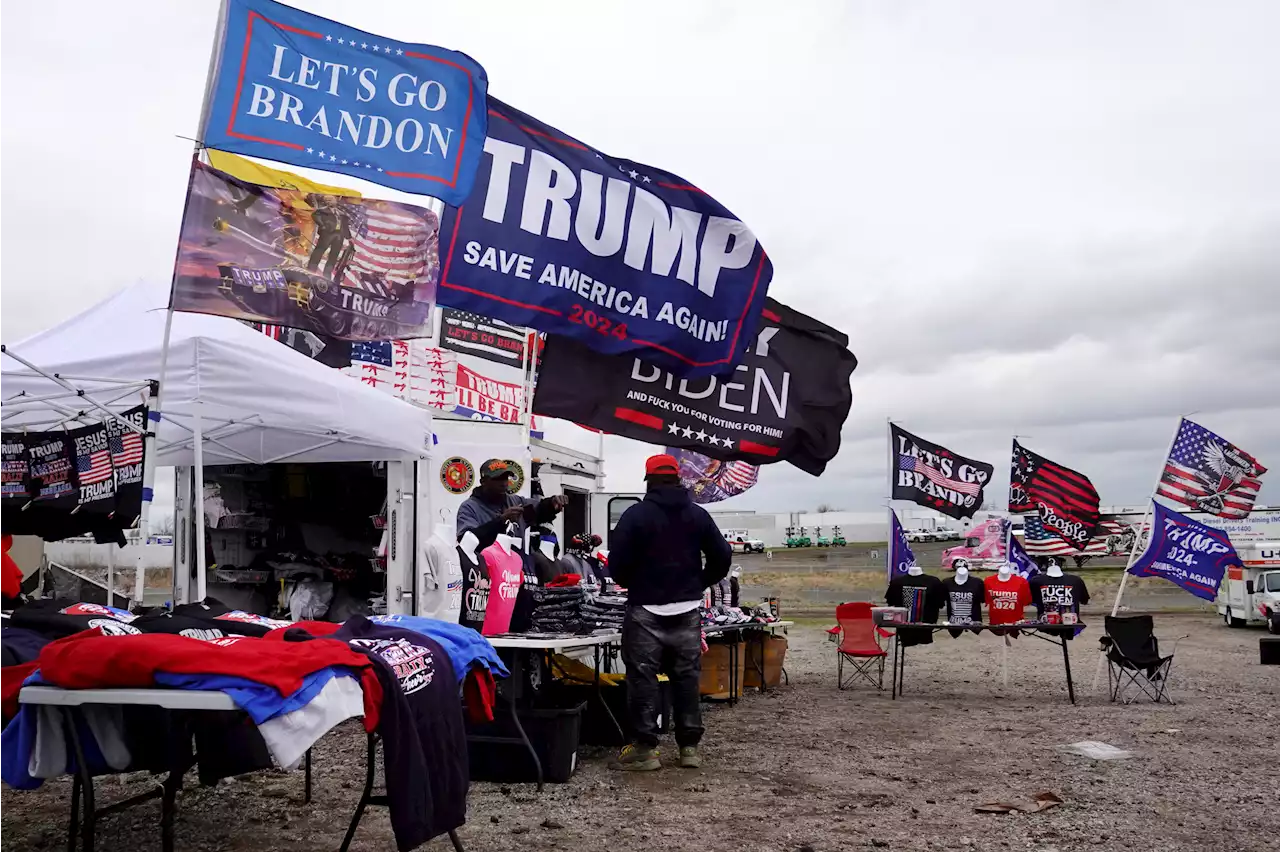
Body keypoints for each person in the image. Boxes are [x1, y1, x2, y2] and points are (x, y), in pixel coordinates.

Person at [607, 454, 732, 771]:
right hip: (688, 609)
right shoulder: (697, 515)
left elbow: (617, 564)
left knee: (643, 679)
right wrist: (698, 583)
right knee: (686, 678)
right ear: (678, 479)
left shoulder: (635, 516)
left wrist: (636, 584)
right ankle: (689, 749)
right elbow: (722, 555)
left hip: (645, 609)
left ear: (648, 480)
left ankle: (645, 751)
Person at [456, 459, 565, 549]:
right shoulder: (469, 507)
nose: (503, 483)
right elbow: (466, 541)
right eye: (498, 479)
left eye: (505, 478)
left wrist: (552, 504)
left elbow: (539, 511)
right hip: (485, 571)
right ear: (483, 482)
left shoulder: (516, 502)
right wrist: (501, 521)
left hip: (514, 571)